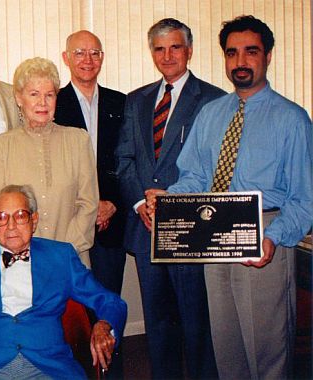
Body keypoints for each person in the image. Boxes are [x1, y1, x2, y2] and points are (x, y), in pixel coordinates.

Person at [146, 15, 313, 379]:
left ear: (268, 56)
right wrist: (168, 199)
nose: (240, 61)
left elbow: (305, 198)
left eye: (250, 52)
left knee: (267, 352)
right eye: (231, 53)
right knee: (227, 349)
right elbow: (194, 177)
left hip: (265, 233)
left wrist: (272, 237)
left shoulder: (292, 119)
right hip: (212, 237)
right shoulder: (211, 114)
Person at [0, 185, 127, 379]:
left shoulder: (61, 256)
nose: (11, 226)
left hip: (50, 366)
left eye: (20, 216)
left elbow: (110, 302)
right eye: (1, 217)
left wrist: (103, 324)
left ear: (33, 220)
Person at [115, 18, 224, 379]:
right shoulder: (137, 100)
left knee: (197, 323)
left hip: (192, 230)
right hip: (146, 227)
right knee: (157, 324)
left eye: (175, 47)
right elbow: (124, 160)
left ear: (189, 51)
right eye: (159, 48)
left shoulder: (214, 100)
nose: (167, 55)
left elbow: (217, 168)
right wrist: (139, 204)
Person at [0, 57, 98, 267]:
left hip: (71, 259)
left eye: (49, 95)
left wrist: (63, 251)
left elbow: (88, 204)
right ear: (19, 98)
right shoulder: (0, 146)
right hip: (21, 262)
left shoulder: (78, 140)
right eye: (34, 94)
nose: (42, 103)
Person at [55, 30, 127, 295]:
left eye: (94, 53)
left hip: (110, 220)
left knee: (108, 302)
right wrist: (87, 205)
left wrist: (112, 203)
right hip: (69, 220)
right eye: (79, 52)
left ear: (102, 58)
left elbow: (128, 161)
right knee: (73, 307)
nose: (88, 59)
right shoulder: (52, 103)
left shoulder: (121, 102)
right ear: (66, 57)